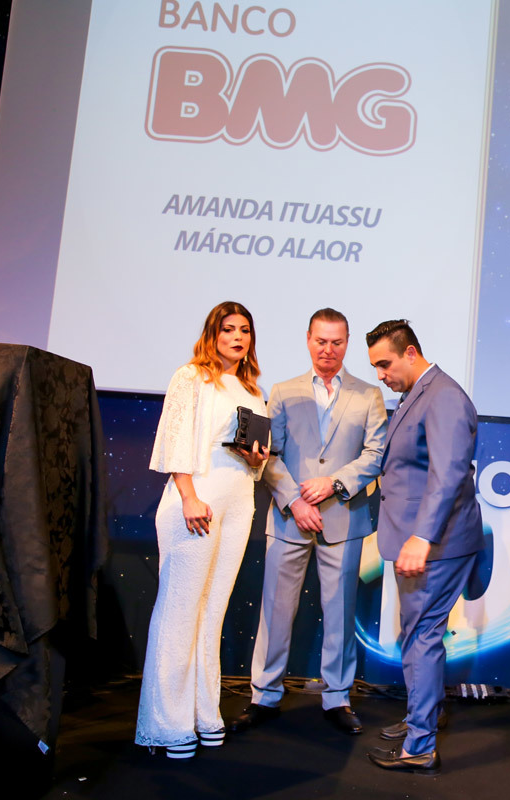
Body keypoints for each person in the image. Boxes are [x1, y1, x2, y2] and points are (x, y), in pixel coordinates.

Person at [228, 308, 387, 736]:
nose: (328, 350)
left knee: (340, 614)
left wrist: (333, 484)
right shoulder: (283, 391)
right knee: (275, 612)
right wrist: (294, 501)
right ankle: (264, 695)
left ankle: (337, 698)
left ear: (347, 343)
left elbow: (375, 455)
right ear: (308, 339)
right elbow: (269, 454)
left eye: (336, 342)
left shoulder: (369, 394)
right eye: (321, 341)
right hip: (289, 519)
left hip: (343, 520)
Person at [135, 301, 270, 759]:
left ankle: (203, 714)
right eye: (228, 329)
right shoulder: (191, 376)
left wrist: (256, 458)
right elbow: (175, 440)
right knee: (180, 610)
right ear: (213, 333)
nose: (238, 337)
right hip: (197, 500)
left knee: (212, 612)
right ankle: (168, 724)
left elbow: (254, 459)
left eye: (245, 330)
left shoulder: (252, 389)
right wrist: (190, 497)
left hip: (239, 503)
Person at [364, 320, 484, 775]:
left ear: (410, 352)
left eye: (385, 364)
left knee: (422, 637)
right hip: (420, 538)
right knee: (417, 635)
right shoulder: (418, 393)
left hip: (437, 542)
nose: (380, 375)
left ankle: (420, 745)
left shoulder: (444, 396)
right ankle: (422, 718)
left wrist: (422, 537)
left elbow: (448, 474)